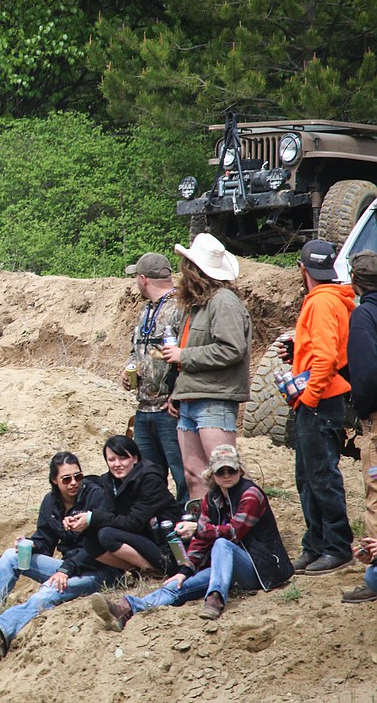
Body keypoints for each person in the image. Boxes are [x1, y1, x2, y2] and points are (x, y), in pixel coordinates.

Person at [91, 444, 293, 629]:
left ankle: (215, 597)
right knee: (178, 585)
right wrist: (185, 570)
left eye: (231, 470)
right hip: (223, 569)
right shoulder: (211, 499)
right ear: (212, 475)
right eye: (220, 471)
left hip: (261, 569)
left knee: (222, 543)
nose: (226, 475)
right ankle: (128, 609)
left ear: (240, 470)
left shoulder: (250, 495)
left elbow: (233, 533)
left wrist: (197, 529)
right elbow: (200, 541)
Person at [0, 452, 118, 659]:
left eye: (78, 477)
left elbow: (96, 545)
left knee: (50, 589)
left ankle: (0, 632)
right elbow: (46, 540)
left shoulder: (96, 496)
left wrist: (64, 570)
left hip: (97, 570)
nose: (74, 483)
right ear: (54, 480)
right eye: (66, 479)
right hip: (67, 568)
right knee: (11, 556)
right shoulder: (51, 502)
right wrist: (31, 545)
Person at [162, 233, 251, 499]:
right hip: (192, 398)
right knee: (194, 475)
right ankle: (205, 536)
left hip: (215, 399)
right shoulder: (200, 304)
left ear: (194, 270)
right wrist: (177, 393)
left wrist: (183, 355)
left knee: (224, 476)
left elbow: (232, 349)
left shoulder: (224, 301)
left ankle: (232, 535)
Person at [286, 239, 355, 576]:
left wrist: (309, 396)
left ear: (303, 269)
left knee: (321, 476)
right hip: (320, 397)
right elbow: (323, 352)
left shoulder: (323, 303)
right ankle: (315, 546)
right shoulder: (328, 299)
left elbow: (327, 357)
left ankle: (337, 547)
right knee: (308, 477)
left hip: (320, 400)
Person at [124, 252, 187, 506]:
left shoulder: (181, 307)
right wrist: (128, 369)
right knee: (147, 478)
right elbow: (135, 349)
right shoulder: (145, 311)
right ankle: (159, 529)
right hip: (143, 409)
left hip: (169, 410)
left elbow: (188, 352)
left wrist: (179, 394)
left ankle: (188, 528)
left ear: (143, 279)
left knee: (183, 475)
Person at [64, 435, 181, 574]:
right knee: (91, 542)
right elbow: (108, 514)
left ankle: (159, 570)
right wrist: (79, 521)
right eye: (111, 460)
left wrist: (92, 518)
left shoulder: (150, 479)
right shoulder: (109, 481)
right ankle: (141, 571)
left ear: (135, 458)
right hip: (142, 537)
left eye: (123, 458)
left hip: (167, 545)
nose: (117, 464)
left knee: (107, 535)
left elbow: (134, 522)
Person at [344, 250, 377, 603]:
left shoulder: (364, 314)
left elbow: (367, 375)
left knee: (376, 496)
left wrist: (362, 410)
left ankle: (376, 577)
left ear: (355, 281)